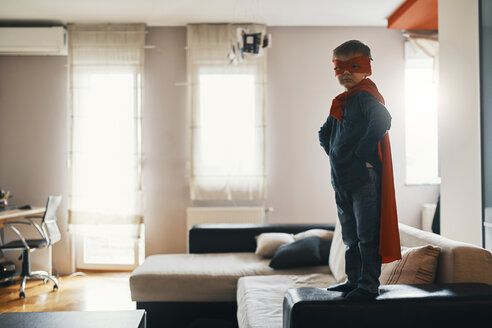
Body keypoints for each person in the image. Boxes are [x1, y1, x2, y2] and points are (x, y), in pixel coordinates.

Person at [318, 40, 401, 300]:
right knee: (350, 237)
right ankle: (353, 280)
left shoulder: (365, 96)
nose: (345, 72)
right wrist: (336, 156)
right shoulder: (342, 102)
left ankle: (368, 286)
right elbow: (324, 133)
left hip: (364, 180)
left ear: (366, 69)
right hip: (341, 180)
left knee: (366, 236)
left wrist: (361, 153)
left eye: (353, 66)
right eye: (339, 67)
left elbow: (383, 119)